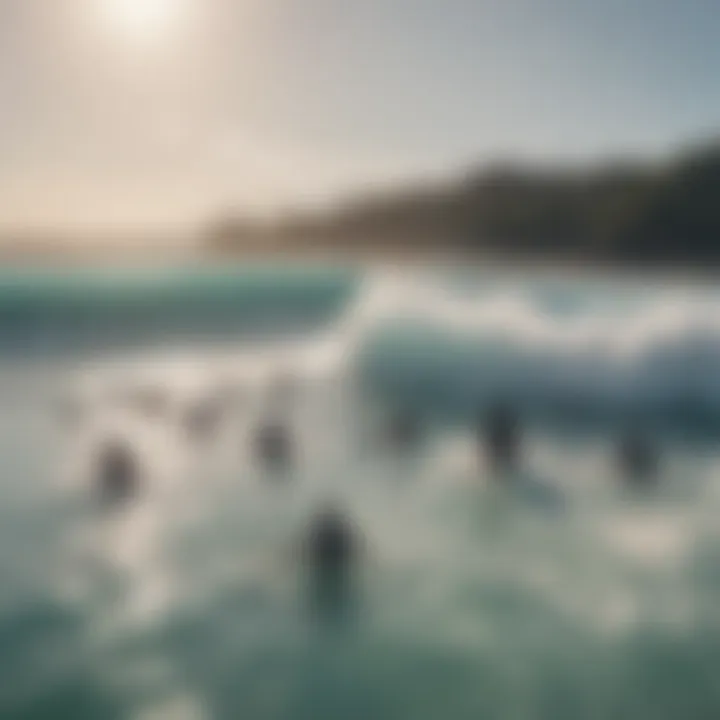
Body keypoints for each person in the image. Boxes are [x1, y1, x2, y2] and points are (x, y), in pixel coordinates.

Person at [481, 401, 521, 471]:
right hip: (501, 438)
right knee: (504, 458)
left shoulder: (495, 422)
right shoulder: (505, 423)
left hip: (500, 438)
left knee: (498, 458)